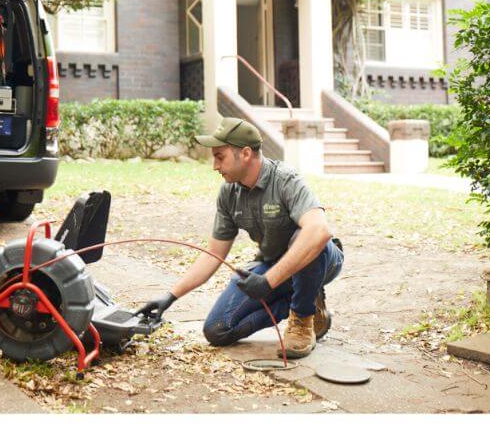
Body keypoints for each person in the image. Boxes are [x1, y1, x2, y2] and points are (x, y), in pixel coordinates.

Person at [135, 117, 344, 359]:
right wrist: (170, 296)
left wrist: (267, 281)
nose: (214, 165)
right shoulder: (228, 193)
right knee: (217, 330)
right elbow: (214, 255)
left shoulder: (285, 179)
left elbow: (320, 231)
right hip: (274, 266)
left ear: (245, 154)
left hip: (322, 260)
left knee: (305, 235)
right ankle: (309, 299)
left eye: (219, 157)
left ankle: (302, 318)